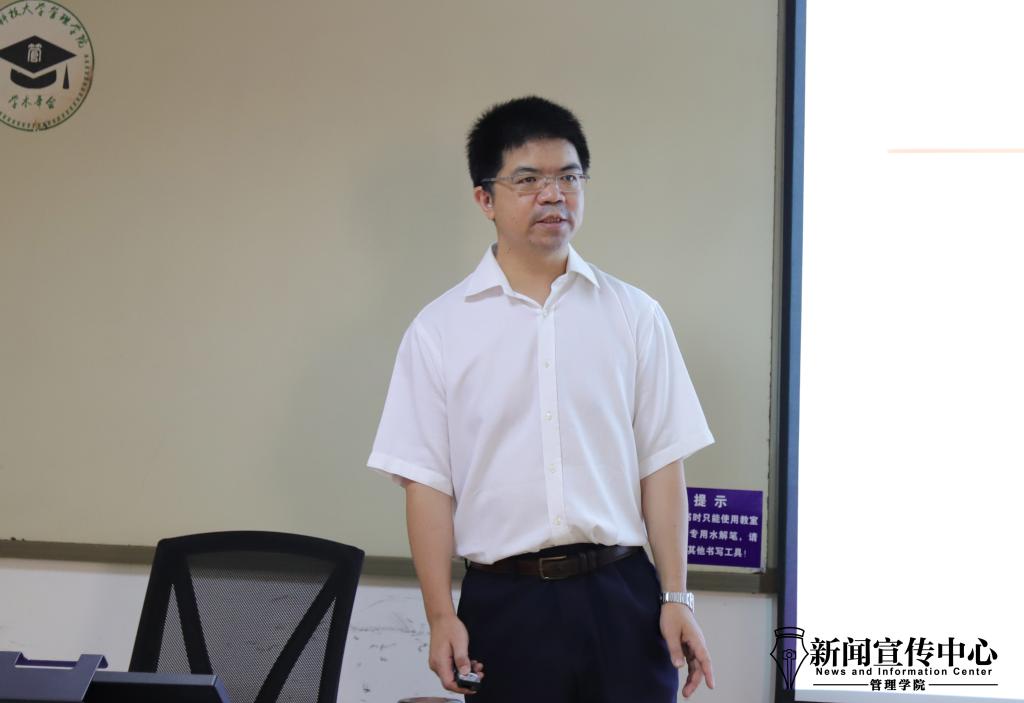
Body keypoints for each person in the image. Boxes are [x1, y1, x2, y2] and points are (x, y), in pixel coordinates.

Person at [368, 96, 715, 702]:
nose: (554, 196)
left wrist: (676, 595)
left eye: (569, 178)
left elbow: (662, 464)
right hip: (507, 602)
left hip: (622, 594)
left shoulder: (634, 315)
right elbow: (427, 485)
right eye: (528, 181)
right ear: (485, 199)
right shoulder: (439, 330)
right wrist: (440, 614)